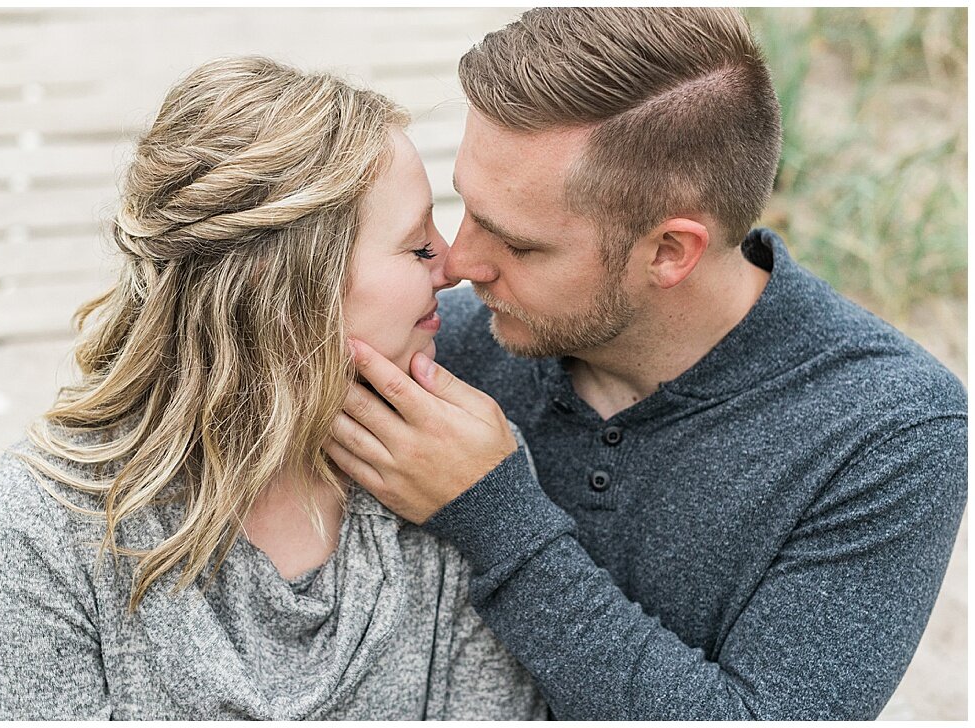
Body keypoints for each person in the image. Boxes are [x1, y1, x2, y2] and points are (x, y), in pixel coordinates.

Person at [327, 7, 968, 721]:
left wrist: (494, 515)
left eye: (521, 244)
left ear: (669, 251)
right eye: (467, 206)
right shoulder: (445, 346)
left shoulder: (888, 430)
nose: (458, 262)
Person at [0, 55, 545, 721]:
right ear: (291, 295)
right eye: (417, 245)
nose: (454, 267)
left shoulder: (461, 474)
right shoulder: (49, 520)